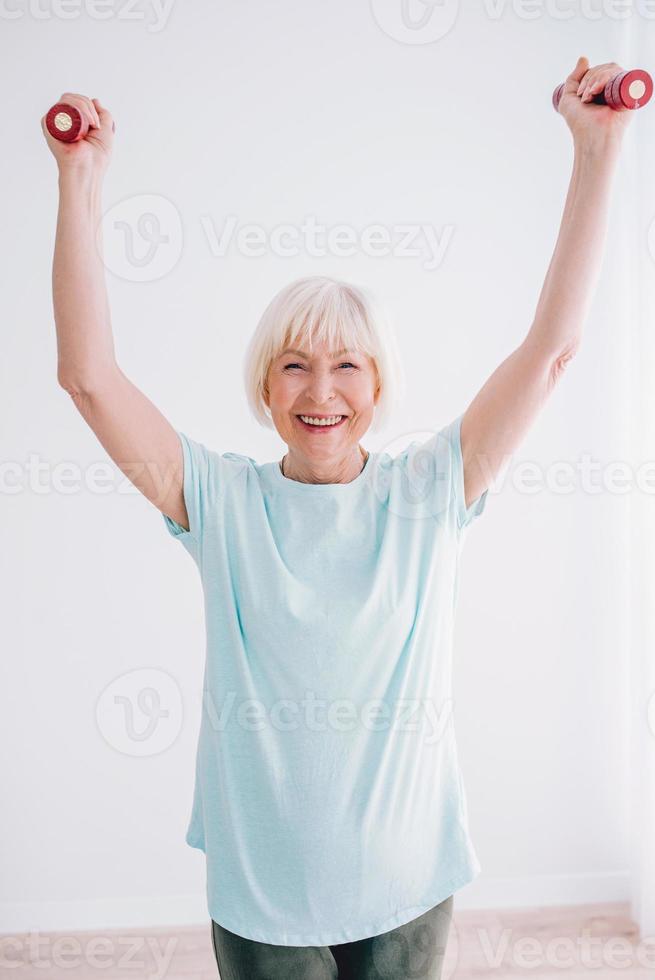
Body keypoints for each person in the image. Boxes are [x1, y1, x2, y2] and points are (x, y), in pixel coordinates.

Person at [42, 55, 630, 979]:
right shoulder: (221, 501)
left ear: (379, 384)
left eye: (347, 365)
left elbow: (552, 350)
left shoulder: (431, 490)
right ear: (264, 386)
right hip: (263, 896)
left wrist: (597, 153)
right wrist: (80, 180)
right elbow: (88, 377)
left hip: (405, 884)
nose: (321, 391)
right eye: (294, 366)